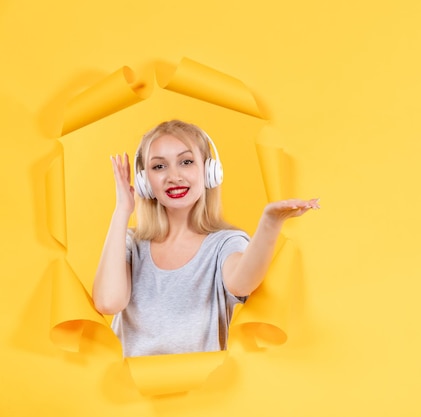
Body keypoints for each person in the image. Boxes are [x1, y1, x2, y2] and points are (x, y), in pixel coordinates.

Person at [92, 120, 319, 357]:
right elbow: (108, 302)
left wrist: (270, 223)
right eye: (159, 167)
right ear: (144, 181)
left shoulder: (225, 243)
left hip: (202, 390)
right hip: (131, 391)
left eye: (186, 162)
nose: (173, 176)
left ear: (210, 171)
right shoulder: (130, 242)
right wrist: (122, 210)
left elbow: (242, 282)